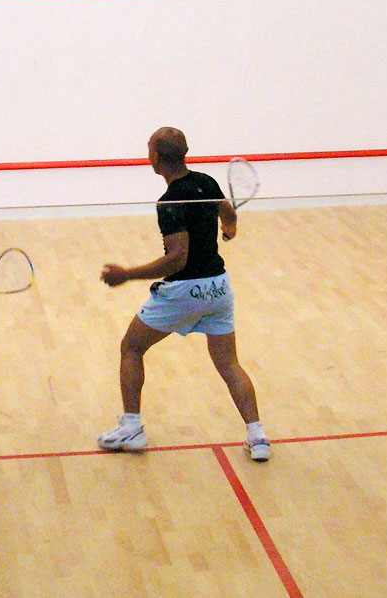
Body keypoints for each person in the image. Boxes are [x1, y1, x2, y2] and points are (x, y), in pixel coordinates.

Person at [98, 127, 270, 461]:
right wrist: (230, 229)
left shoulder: (170, 202)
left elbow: (177, 258)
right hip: (219, 288)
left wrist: (126, 275)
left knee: (131, 348)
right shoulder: (206, 181)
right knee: (229, 364)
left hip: (184, 292)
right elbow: (228, 213)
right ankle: (258, 436)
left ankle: (131, 428)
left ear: (155, 157)